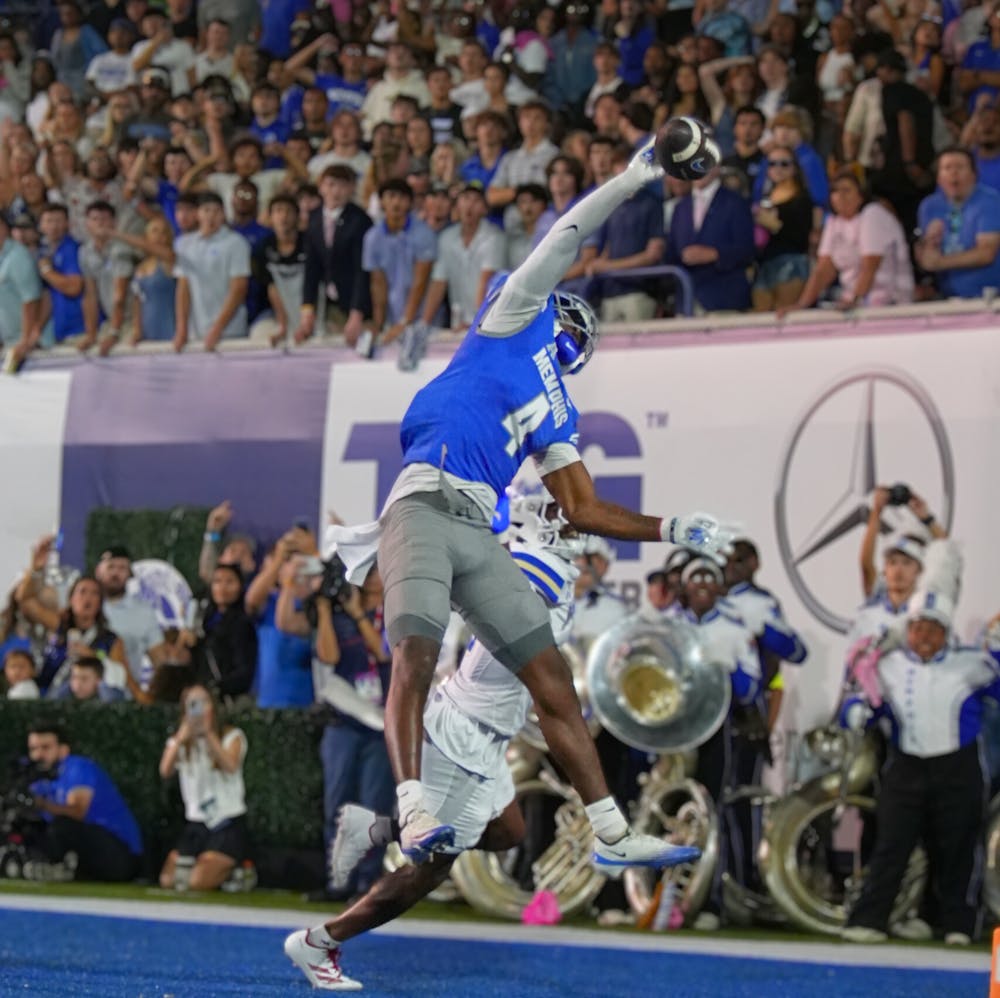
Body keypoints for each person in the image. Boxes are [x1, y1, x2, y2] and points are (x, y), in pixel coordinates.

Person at [326, 133, 731, 870]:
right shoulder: (512, 319)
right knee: (414, 651)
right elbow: (566, 235)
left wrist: (673, 527)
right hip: (424, 503)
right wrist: (631, 180)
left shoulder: (557, 409)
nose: (574, 337)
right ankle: (411, 808)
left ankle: (611, 834)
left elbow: (583, 509)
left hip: (475, 527)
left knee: (553, 681)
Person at [285, 490, 700, 990]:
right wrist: (664, 529)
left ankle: (377, 831)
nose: (575, 524)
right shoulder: (531, 569)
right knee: (430, 870)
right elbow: (579, 535)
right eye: (561, 515)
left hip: (488, 732)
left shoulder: (537, 566)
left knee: (507, 832)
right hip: (461, 735)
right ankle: (320, 941)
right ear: (537, 522)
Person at [841, 591, 999, 946]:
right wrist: (856, 713)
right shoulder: (888, 666)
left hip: (958, 766)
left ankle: (957, 924)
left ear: (946, 632)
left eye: (932, 629)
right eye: (917, 628)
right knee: (891, 845)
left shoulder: (972, 663)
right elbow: (860, 700)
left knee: (957, 847)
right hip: (906, 766)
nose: (924, 636)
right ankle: (869, 919)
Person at [25, 720, 142, 882]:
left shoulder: (77, 767)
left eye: (45, 748)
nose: (38, 755)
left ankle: (59, 867)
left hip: (119, 853)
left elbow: (77, 811)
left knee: (63, 825)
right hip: (93, 852)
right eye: (33, 749)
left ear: (63, 750)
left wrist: (41, 804)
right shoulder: (38, 777)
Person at [159, 684, 250, 891]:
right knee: (169, 880)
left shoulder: (232, 736)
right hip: (197, 822)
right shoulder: (181, 741)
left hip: (225, 821)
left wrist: (208, 734)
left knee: (196, 882)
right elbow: (165, 770)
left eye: (203, 702)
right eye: (192, 703)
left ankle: (236, 869)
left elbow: (230, 765)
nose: (197, 708)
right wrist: (180, 739)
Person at [784, 171, 914, 313]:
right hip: (853, 303)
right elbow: (823, 269)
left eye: (846, 190)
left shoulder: (873, 214)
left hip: (890, 302)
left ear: (860, 196)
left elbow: (870, 265)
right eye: (835, 191)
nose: (840, 196)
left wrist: (856, 300)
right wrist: (802, 304)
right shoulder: (833, 222)